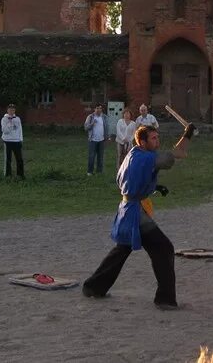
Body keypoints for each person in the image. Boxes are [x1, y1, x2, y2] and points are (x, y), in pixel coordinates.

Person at [81, 123, 195, 309]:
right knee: (164, 248)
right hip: (135, 213)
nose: (157, 142)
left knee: (122, 250)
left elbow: (128, 179)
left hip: (127, 208)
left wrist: (153, 187)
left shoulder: (133, 154)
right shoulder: (147, 158)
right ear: (142, 142)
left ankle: (93, 287)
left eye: (157, 137)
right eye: (153, 138)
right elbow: (180, 153)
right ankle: (165, 300)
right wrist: (188, 134)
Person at [84, 103, 110, 176]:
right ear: (94, 109)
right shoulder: (90, 117)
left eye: (100, 108)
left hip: (101, 140)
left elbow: (107, 128)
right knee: (91, 156)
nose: (99, 110)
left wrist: (107, 137)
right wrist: (92, 123)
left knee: (100, 156)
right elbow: (86, 128)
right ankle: (90, 171)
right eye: (97, 108)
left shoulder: (104, 117)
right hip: (92, 140)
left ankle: (99, 171)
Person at [1, 104, 25, 180]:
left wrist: (21, 139)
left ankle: (20, 175)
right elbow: (5, 131)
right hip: (7, 141)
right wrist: (10, 122)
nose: (11, 111)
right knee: (8, 159)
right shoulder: (4, 119)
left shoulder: (17, 119)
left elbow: (20, 130)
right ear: (7, 110)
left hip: (16, 141)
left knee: (19, 159)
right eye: (10, 109)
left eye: (13, 109)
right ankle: (7, 175)